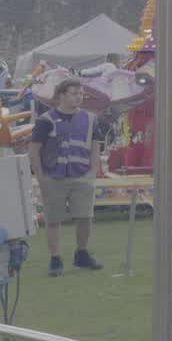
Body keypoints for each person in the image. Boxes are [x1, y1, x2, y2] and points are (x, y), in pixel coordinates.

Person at [30, 78, 102, 275]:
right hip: (54, 177)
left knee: (85, 217)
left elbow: (95, 146)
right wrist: (40, 176)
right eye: (74, 93)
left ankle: (82, 254)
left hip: (82, 175)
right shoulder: (45, 120)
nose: (79, 97)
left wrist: (92, 171)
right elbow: (34, 150)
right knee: (53, 220)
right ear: (61, 95)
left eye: (81, 94)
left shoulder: (91, 119)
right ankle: (55, 259)